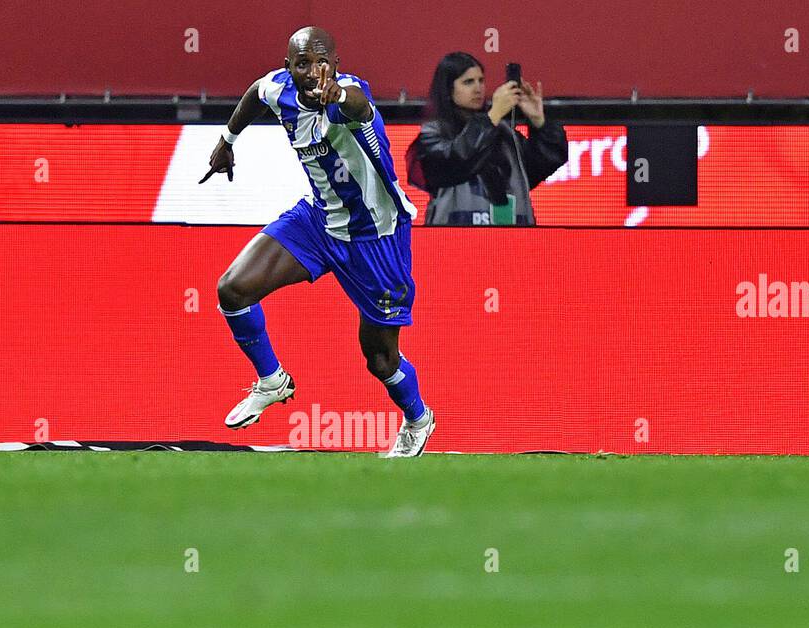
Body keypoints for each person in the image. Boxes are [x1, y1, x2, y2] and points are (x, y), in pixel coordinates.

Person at [200, 26, 435, 458]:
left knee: (380, 360)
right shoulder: (279, 88)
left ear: (336, 65)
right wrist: (227, 141)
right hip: (319, 222)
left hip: (375, 236)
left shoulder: (349, 96)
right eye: (303, 63)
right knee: (231, 289)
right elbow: (256, 92)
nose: (313, 72)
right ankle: (272, 381)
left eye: (322, 61)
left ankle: (418, 418)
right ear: (289, 68)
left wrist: (338, 97)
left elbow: (361, 106)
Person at [406, 52, 568, 226]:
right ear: (448, 89)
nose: (478, 88)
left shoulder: (504, 133)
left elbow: (545, 163)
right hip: (454, 242)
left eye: (481, 81)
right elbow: (455, 161)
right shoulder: (434, 133)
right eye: (468, 82)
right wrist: (492, 117)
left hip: (514, 241)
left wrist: (539, 122)